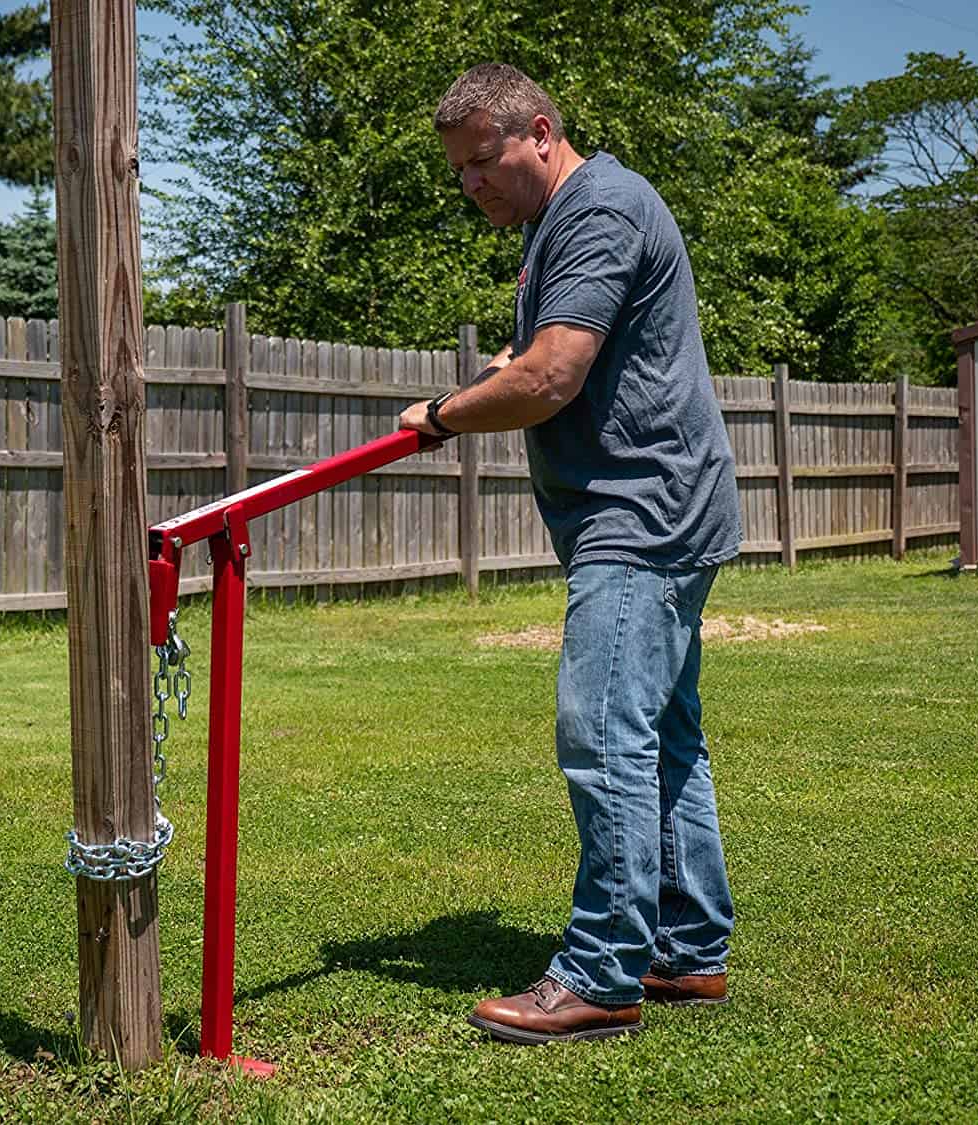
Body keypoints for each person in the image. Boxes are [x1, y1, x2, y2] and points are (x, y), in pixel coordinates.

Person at [401, 63, 742, 1044]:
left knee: (602, 731)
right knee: (661, 734)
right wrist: (485, 384)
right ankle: (685, 948)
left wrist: (439, 416)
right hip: (652, 506)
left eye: (483, 162)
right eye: (459, 171)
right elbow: (537, 357)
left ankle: (600, 972)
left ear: (540, 131)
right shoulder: (564, 224)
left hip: (643, 515)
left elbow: (551, 375)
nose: (472, 185)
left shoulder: (598, 211)